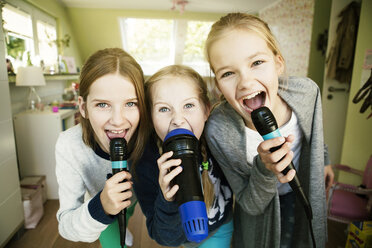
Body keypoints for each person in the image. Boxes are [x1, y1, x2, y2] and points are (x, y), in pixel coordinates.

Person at [204, 13, 334, 248]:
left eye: (256, 63)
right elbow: (250, 204)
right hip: (260, 221)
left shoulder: (307, 93)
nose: (245, 82)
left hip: (304, 195)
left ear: (278, 63)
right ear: (218, 84)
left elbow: (314, 135)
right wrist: (265, 170)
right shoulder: (218, 129)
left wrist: (324, 160)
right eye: (228, 73)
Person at [55, 48, 150, 247]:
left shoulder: (152, 136)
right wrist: (102, 207)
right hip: (105, 203)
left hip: (138, 197)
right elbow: (65, 224)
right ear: (83, 108)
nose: (117, 121)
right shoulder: (69, 145)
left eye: (131, 103)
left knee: (129, 208)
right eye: (102, 105)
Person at [132, 65, 233, 247]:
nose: (178, 119)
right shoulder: (144, 163)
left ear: (206, 110)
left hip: (220, 228)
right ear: (150, 117)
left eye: (188, 105)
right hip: (183, 237)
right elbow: (165, 237)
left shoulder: (218, 138)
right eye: (163, 109)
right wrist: (168, 200)